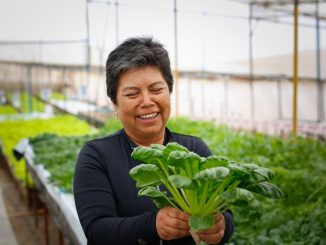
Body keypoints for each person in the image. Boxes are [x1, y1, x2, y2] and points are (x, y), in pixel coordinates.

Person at [73, 36, 234, 245]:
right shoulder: (97, 156)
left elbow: (226, 214)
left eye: (157, 90)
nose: (147, 102)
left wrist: (221, 228)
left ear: (169, 93)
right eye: (132, 94)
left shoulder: (194, 149)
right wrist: (151, 225)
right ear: (115, 103)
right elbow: (96, 231)